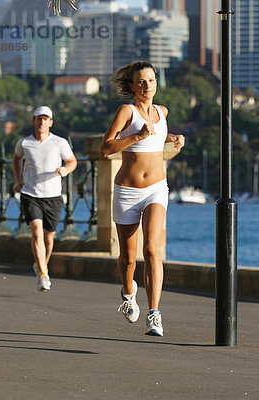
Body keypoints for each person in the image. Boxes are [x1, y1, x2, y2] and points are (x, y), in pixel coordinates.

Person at [100, 61, 184, 336]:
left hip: (156, 189)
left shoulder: (162, 112)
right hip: (127, 191)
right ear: (133, 87)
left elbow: (157, 139)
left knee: (151, 249)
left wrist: (173, 138)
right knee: (128, 259)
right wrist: (137, 134)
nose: (148, 86)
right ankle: (128, 293)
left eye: (152, 80)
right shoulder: (127, 111)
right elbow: (105, 148)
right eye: (142, 82)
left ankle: (154, 314)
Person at [13, 105, 77, 292]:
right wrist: (18, 180)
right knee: (36, 232)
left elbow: (72, 161)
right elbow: (16, 158)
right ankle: (43, 274)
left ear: (50, 122)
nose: (42, 122)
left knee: (49, 238)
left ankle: (42, 265)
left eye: (45, 119)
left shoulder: (60, 142)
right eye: (38, 118)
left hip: (53, 195)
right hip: (31, 193)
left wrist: (65, 169)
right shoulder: (24, 143)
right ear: (34, 121)